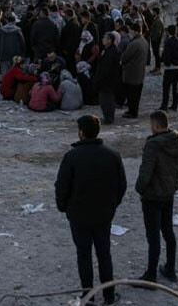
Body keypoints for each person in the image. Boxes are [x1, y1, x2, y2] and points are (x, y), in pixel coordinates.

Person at [55, 115, 126, 306]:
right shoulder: (112, 155)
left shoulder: (72, 157)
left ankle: (89, 297)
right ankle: (109, 295)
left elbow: (62, 186)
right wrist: (112, 205)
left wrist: (64, 207)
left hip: (79, 215)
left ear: (81, 132)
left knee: (84, 255)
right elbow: (122, 185)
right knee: (104, 254)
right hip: (103, 214)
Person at [135, 110, 178, 284]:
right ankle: (170, 269)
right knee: (168, 231)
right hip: (168, 192)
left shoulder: (153, 145)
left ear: (155, 125)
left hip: (153, 195)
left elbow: (146, 172)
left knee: (153, 236)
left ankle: (151, 274)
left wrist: (140, 188)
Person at [120, 25, 149, 119]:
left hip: (131, 72)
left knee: (131, 94)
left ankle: (132, 112)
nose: (130, 33)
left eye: (131, 31)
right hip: (139, 72)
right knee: (136, 94)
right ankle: (132, 110)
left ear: (135, 31)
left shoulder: (134, 43)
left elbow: (125, 57)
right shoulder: (144, 41)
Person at [96, 32, 122, 124]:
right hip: (108, 81)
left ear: (109, 40)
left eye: (104, 38)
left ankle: (108, 118)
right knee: (106, 99)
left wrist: (100, 79)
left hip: (107, 81)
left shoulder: (111, 52)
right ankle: (107, 116)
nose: (103, 40)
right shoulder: (108, 50)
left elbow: (106, 68)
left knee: (106, 100)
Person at [159, 32, 178, 113]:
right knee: (175, 87)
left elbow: (166, 55)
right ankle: (174, 105)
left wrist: (166, 63)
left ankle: (164, 105)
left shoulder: (168, 42)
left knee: (166, 87)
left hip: (170, 67)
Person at [149, 6, 165, 75]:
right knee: (156, 55)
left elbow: (158, 33)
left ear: (155, 12)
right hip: (155, 40)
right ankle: (156, 67)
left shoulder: (158, 21)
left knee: (157, 55)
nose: (152, 13)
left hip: (156, 41)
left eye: (153, 11)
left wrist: (154, 39)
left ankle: (158, 69)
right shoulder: (157, 19)